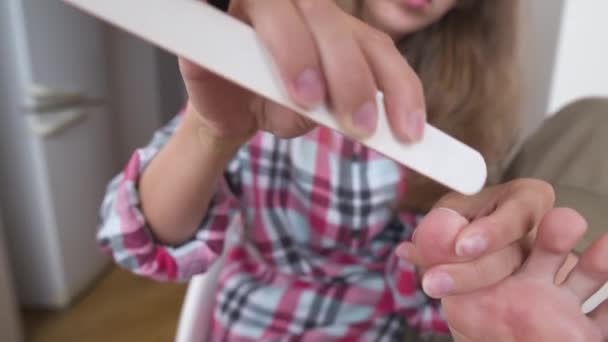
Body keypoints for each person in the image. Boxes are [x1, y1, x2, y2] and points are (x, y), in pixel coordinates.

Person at [97, 0, 608, 340]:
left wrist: (486, 247)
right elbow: (135, 241)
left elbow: (443, 264)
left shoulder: (468, 94)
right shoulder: (268, 55)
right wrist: (213, 132)